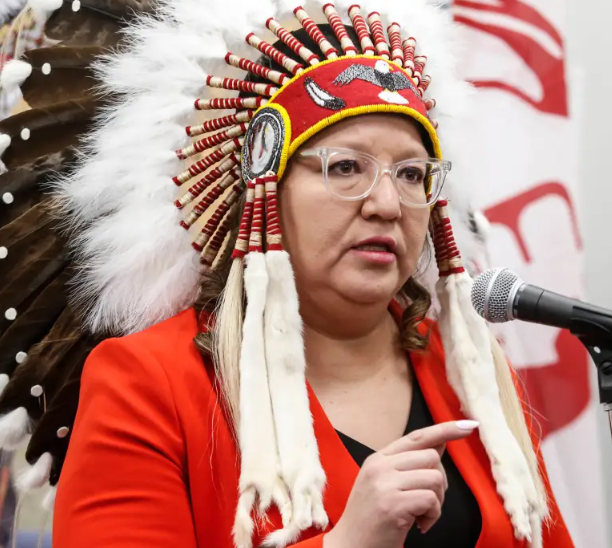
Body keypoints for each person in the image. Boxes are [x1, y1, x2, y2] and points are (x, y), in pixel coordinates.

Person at [0, 1, 576, 547]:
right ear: (263, 194)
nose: (387, 203)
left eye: (411, 173)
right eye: (345, 167)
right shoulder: (149, 382)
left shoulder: (469, 370)